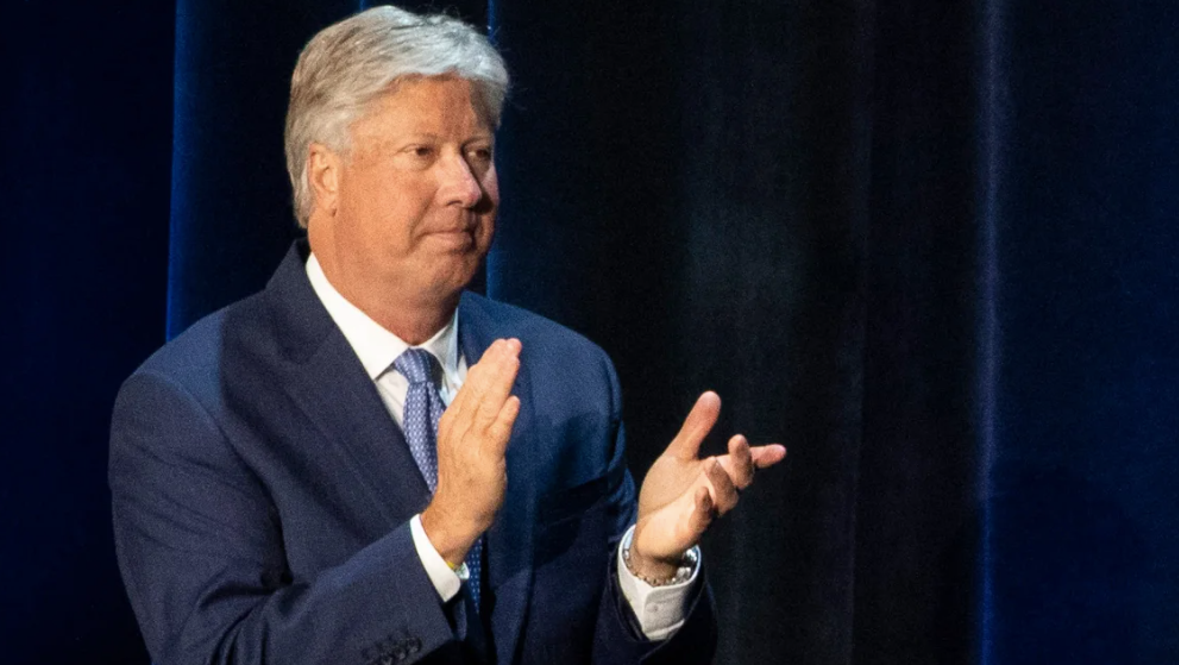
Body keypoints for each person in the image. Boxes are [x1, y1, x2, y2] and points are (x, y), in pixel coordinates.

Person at [109, 6, 786, 665]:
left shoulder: (569, 375)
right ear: (326, 175)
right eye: (423, 153)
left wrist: (650, 564)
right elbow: (222, 653)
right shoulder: (192, 402)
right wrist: (439, 537)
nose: (466, 187)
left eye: (478, 153)